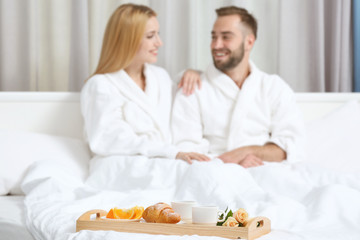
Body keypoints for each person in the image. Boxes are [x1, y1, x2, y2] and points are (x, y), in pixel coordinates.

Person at [172, 6, 305, 168]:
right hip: (212, 173)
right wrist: (234, 164)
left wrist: (247, 152)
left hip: (266, 170)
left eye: (226, 37)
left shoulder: (273, 87)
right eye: (213, 37)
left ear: (249, 41)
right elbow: (187, 152)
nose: (216, 45)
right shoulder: (192, 88)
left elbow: (290, 146)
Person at [81, 3, 209, 164]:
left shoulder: (160, 77)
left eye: (158, 34)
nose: (159, 42)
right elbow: (109, 137)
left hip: (163, 160)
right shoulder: (100, 85)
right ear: (128, 40)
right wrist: (169, 152)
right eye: (150, 36)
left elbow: (183, 105)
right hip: (121, 164)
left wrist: (192, 73)